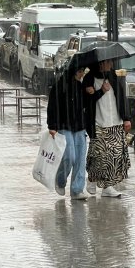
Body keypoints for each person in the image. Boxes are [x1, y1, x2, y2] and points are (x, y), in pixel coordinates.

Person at [82, 59, 131, 198]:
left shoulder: (113, 77)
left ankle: (108, 187)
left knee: (114, 156)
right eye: (107, 62)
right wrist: (100, 91)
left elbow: (122, 98)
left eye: (111, 62)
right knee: (98, 155)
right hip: (98, 122)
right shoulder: (89, 78)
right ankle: (91, 180)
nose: (110, 65)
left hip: (115, 121)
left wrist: (126, 118)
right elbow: (86, 102)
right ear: (100, 63)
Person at [47, 66, 90, 201]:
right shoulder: (60, 86)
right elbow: (52, 106)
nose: (82, 73)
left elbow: (86, 105)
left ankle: (77, 189)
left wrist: (91, 93)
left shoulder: (80, 86)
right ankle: (60, 179)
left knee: (80, 159)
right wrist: (52, 126)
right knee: (69, 157)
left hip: (79, 126)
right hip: (64, 126)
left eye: (82, 71)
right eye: (79, 71)